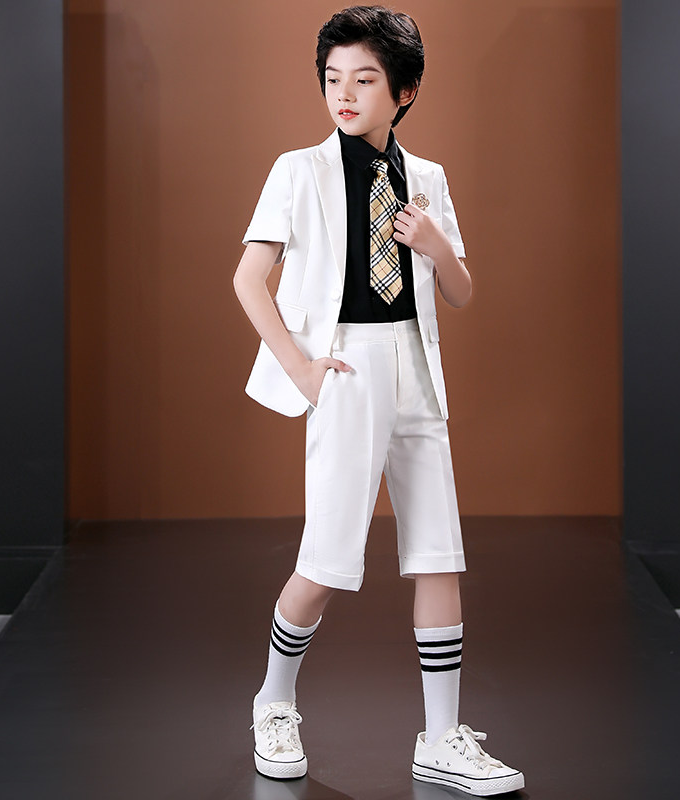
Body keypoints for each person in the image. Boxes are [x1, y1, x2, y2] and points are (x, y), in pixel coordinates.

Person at [233, 6, 525, 796]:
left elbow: (459, 291)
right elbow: (249, 280)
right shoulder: (299, 170)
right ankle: (274, 702)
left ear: (405, 91)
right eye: (333, 79)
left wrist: (436, 245)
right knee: (327, 556)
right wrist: (301, 370)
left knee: (438, 551)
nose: (344, 94)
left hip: (416, 367)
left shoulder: (426, 178)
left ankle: (440, 737)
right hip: (346, 368)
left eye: (364, 80)